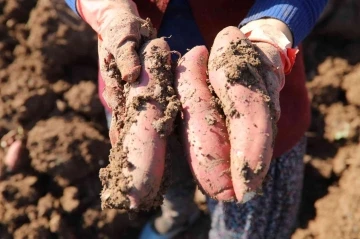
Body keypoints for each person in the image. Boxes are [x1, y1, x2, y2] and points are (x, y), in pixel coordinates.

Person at [64, 0, 328, 238]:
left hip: (252, 74)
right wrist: (107, 10)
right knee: (159, 177)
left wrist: (275, 26)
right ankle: (179, 216)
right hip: (135, 72)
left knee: (248, 201)